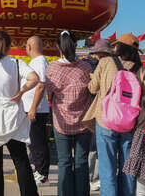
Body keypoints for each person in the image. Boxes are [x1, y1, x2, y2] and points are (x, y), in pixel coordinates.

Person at [82, 32, 145, 196]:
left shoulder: (105, 62)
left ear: (119, 46)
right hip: (129, 124)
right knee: (128, 166)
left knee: (107, 166)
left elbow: (92, 88)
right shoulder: (141, 70)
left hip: (106, 120)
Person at [0, 30, 39, 196]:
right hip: (12, 116)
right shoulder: (16, 63)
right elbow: (35, 78)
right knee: (20, 160)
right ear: (9, 46)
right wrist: (21, 92)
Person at [45, 30, 93, 196]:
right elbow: (91, 91)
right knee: (81, 161)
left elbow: (50, 96)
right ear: (75, 45)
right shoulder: (86, 68)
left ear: (58, 46)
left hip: (61, 123)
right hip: (84, 123)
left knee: (64, 162)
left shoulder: (52, 69)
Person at [22, 35, 51, 185]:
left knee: (37, 142)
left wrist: (33, 108)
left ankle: (42, 173)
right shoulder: (37, 61)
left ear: (29, 47)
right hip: (33, 108)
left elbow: (41, 85)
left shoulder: (39, 62)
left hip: (36, 109)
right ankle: (39, 170)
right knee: (33, 142)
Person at [83, 38, 110, 193]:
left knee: (94, 146)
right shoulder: (117, 63)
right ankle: (96, 179)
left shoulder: (95, 65)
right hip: (108, 112)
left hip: (97, 110)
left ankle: (93, 178)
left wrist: (93, 78)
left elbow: (92, 88)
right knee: (99, 147)